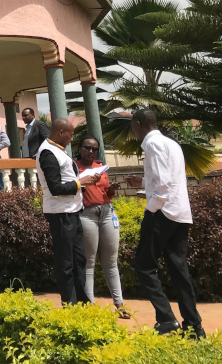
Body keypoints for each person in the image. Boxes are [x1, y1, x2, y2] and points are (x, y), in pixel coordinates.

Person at [125, 110, 205, 338]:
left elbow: (163, 184)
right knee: (178, 269)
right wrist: (142, 182)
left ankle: (166, 319)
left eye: (133, 126)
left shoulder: (152, 144)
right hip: (180, 213)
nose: (133, 131)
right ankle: (194, 326)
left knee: (143, 264)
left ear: (139, 124)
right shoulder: (171, 144)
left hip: (163, 212)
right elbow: (166, 178)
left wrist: (151, 210)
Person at [36, 118, 100, 305]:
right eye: (71, 135)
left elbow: (67, 179)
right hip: (60, 213)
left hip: (72, 211)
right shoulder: (47, 153)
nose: (72, 139)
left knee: (79, 259)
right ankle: (69, 304)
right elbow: (55, 188)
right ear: (61, 132)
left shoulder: (59, 151)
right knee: (66, 262)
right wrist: (81, 183)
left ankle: (82, 301)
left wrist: (85, 180)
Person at [75, 135, 129, 319]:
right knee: (89, 263)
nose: (91, 152)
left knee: (111, 262)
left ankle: (119, 304)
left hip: (107, 212)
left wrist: (111, 190)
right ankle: (89, 307)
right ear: (80, 148)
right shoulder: (75, 168)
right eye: (87, 148)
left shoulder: (101, 167)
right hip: (87, 214)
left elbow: (105, 192)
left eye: (94, 149)